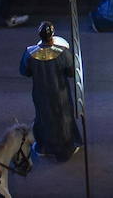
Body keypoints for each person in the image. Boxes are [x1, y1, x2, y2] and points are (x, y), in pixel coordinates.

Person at [20, 21, 80, 159]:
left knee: (42, 117)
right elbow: (71, 72)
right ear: (52, 34)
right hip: (60, 92)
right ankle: (65, 150)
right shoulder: (63, 53)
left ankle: (43, 147)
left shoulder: (30, 52)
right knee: (63, 118)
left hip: (40, 91)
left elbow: (24, 71)